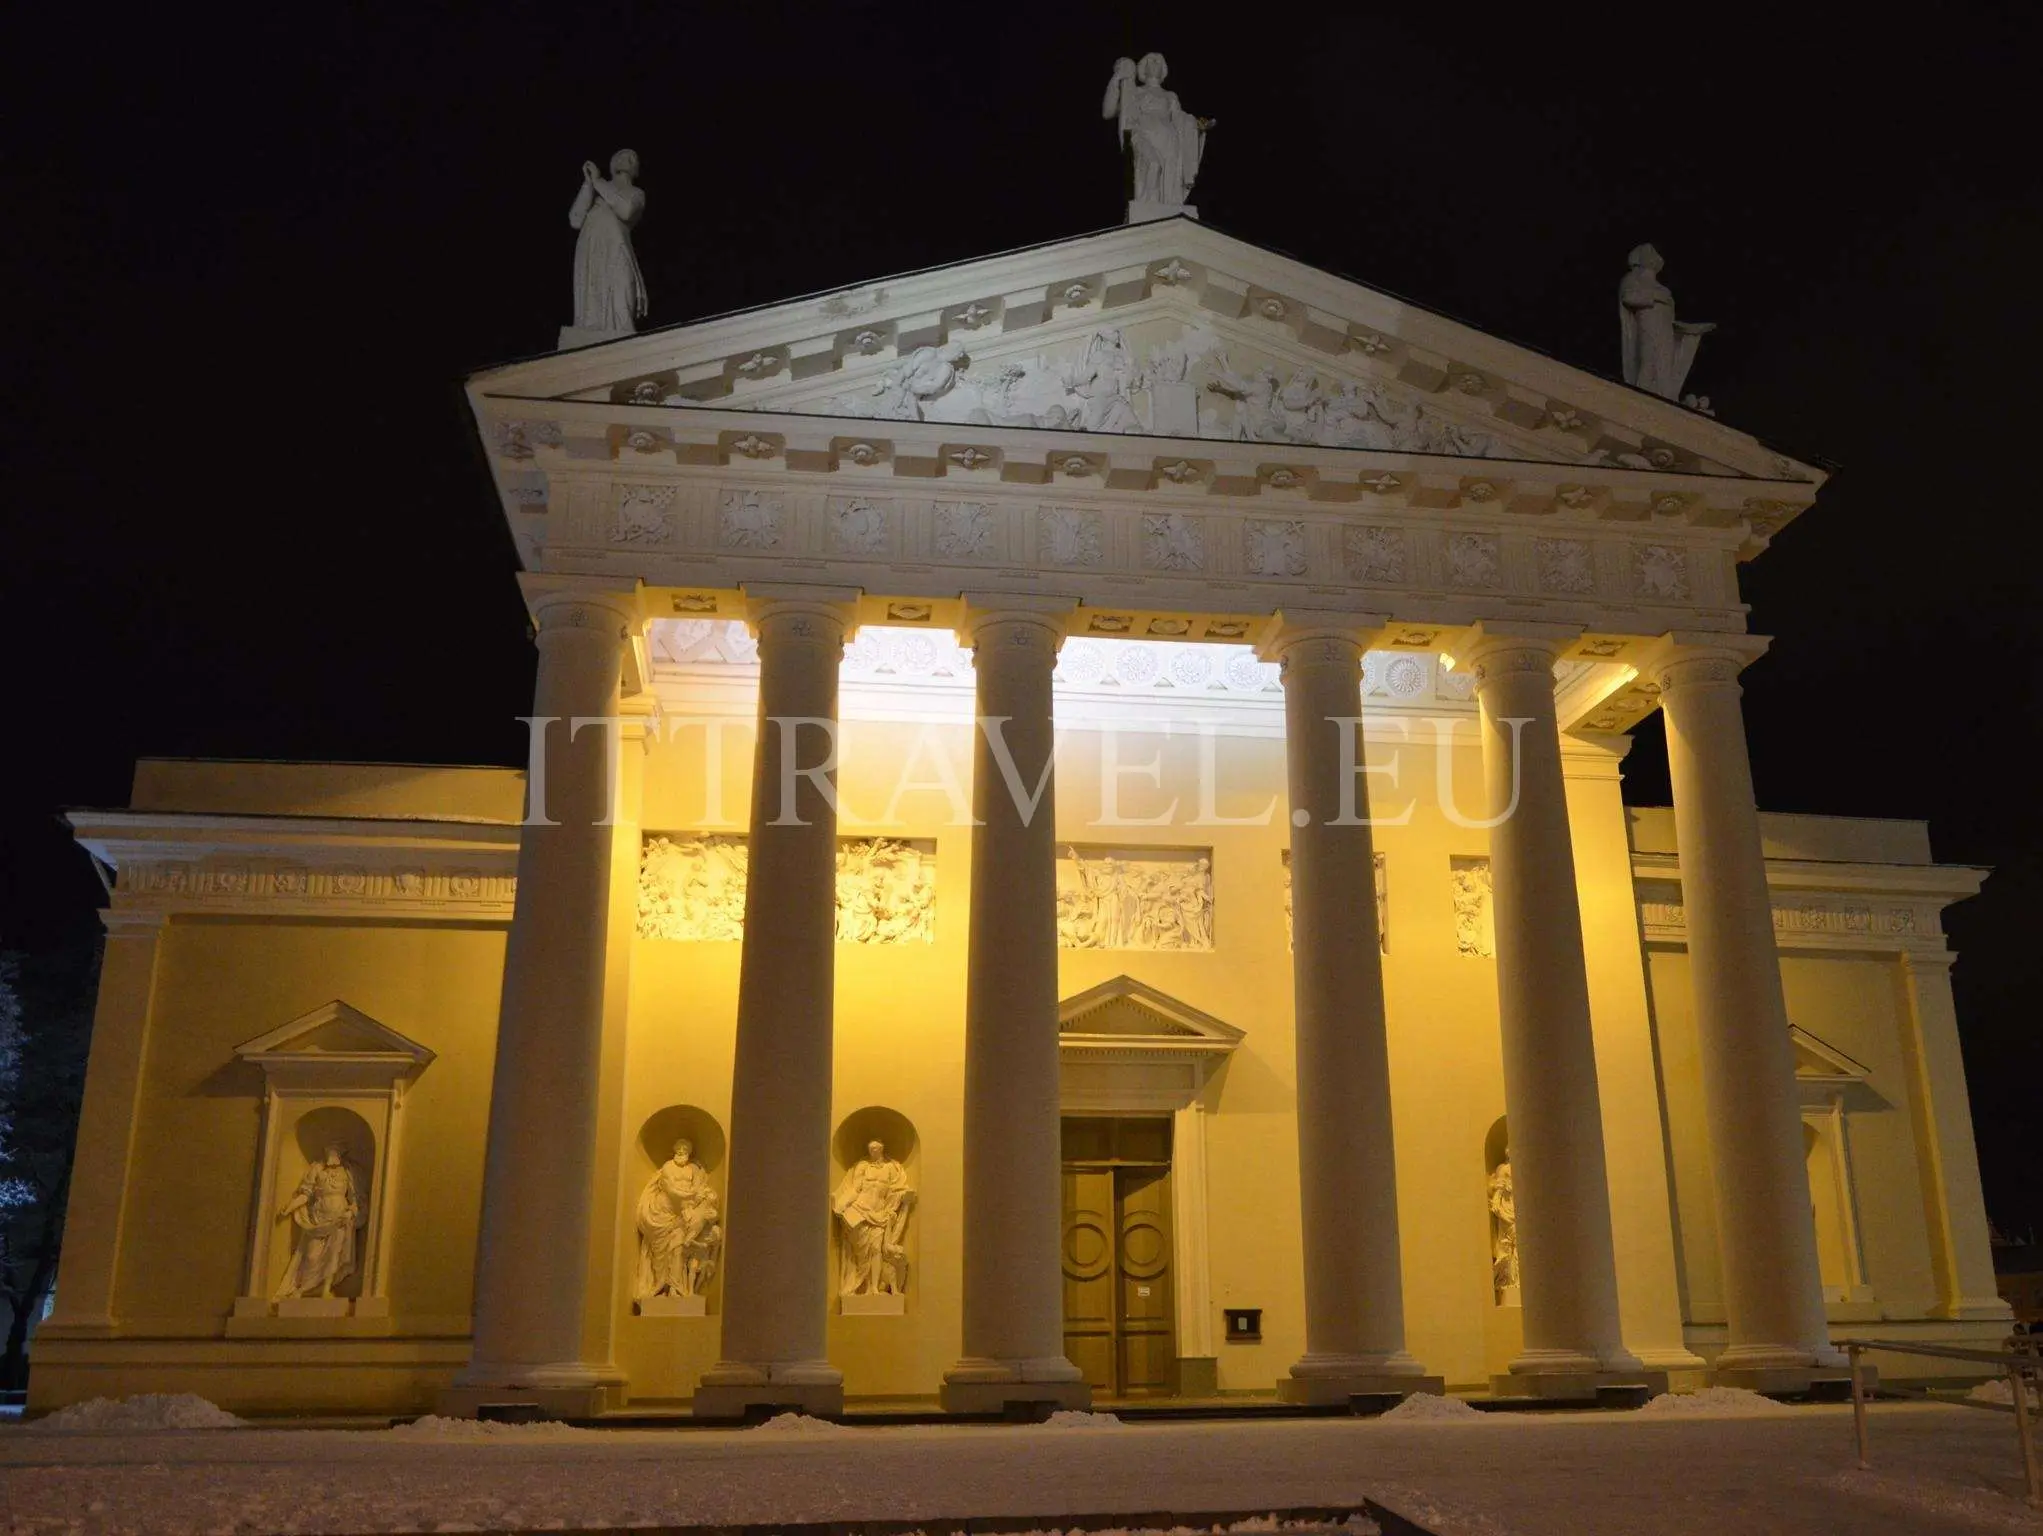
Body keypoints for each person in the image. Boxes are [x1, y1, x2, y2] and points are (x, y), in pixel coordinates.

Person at [1102, 54, 1211, 208]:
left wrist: (1195, 125)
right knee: (1152, 164)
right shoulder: (1134, 92)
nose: (1155, 63)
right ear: (1142, 68)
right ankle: (1146, 205)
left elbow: (1181, 119)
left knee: (1168, 178)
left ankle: (1166, 207)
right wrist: (1116, 79)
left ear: (1164, 69)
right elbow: (1108, 112)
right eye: (1151, 60)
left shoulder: (1170, 96)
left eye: (1159, 61)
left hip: (1169, 140)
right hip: (1143, 135)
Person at [1619, 244, 1713, 400]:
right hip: (1648, 324)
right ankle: (1640, 398)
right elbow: (1628, 297)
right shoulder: (1633, 278)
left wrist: (1689, 329)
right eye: (1647, 254)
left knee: (1664, 363)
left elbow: (1670, 320)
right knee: (1648, 360)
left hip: (1665, 329)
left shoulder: (1662, 289)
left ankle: (1663, 397)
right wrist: (1655, 297)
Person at [568, 149, 647, 334]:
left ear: (636, 170)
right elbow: (575, 219)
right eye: (621, 156)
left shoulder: (636, 193)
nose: (626, 159)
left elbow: (625, 210)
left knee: (622, 287)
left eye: (632, 159)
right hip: (592, 246)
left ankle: (622, 331)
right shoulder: (596, 191)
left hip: (617, 246)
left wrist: (597, 182)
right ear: (612, 165)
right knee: (592, 292)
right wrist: (588, 184)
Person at [633, 1138, 722, 1300]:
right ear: (674, 1151)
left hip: (683, 1214)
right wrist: (693, 1195)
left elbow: (701, 1188)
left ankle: (676, 1289)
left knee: (678, 1250)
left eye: (685, 1149)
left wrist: (696, 1198)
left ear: (689, 1152)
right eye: (679, 1148)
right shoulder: (668, 1167)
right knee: (661, 1253)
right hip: (663, 1215)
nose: (681, 1151)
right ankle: (659, 1287)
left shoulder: (693, 1169)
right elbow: (671, 1189)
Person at [273, 1142, 363, 1300]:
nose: (331, 1156)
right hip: (317, 1220)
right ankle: (302, 1289)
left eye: (335, 1152)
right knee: (311, 1256)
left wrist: (350, 1213)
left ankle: (325, 1290)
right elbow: (305, 1194)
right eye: (329, 1151)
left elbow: (356, 1200)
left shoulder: (348, 1172)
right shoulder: (317, 1169)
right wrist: (289, 1208)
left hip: (339, 1220)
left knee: (334, 1255)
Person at [831, 1140, 914, 1295]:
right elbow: (855, 1189)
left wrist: (903, 1196)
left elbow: (895, 1190)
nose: (872, 1151)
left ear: (881, 1149)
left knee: (877, 1250)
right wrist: (842, 1204)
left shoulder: (891, 1168)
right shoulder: (863, 1166)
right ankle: (862, 1283)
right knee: (862, 1252)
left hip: (879, 1214)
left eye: (875, 1149)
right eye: (870, 1149)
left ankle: (874, 1287)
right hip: (860, 1210)